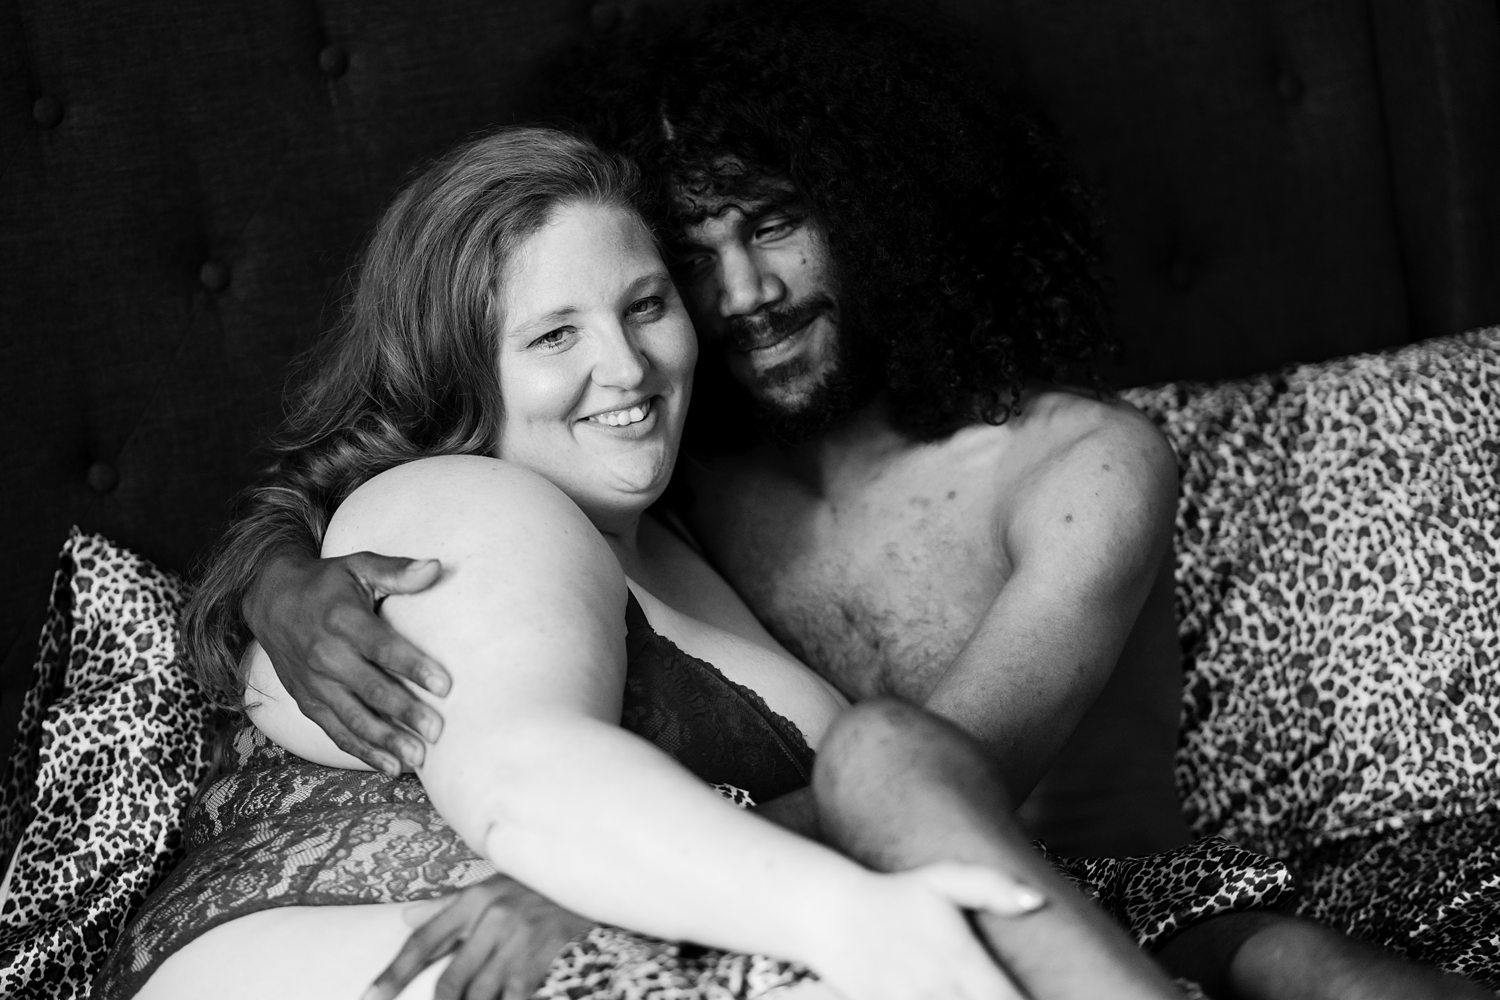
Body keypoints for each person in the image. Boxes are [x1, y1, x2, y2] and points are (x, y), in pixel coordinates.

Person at [225, 4, 1495, 1000]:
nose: (743, 294)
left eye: (775, 226)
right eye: (689, 259)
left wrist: (628, 882)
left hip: (1126, 894)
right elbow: (409, 481)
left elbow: (950, 767)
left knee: (1305, 964)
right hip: (851, 914)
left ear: (883, 207)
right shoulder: (671, 486)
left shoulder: (1084, 461)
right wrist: (281, 583)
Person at [95, 124, 1297, 1000]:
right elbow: (526, 781)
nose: (626, 368)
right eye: (556, 334)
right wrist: (853, 916)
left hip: (646, 942)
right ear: (464, 371)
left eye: (644, 306)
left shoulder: (678, 524)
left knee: (1266, 948)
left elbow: (910, 781)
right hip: (396, 951)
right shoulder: (466, 503)